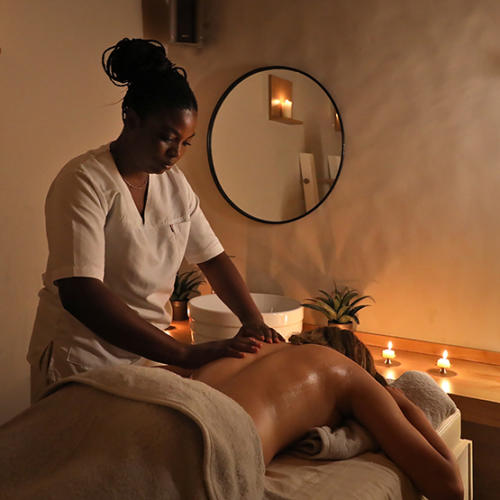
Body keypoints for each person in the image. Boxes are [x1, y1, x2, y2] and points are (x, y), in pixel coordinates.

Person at [27, 38, 281, 403]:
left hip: (147, 354)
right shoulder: (84, 180)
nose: (175, 153)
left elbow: (213, 258)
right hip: (82, 356)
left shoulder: (174, 185)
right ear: (131, 119)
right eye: (167, 138)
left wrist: (253, 321)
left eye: (186, 143)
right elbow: (81, 292)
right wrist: (184, 354)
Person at [192, 328, 464, 500]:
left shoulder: (253, 346)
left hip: (172, 405)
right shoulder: (347, 371)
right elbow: (449, 487)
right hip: (214, 451)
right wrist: (406, 405)